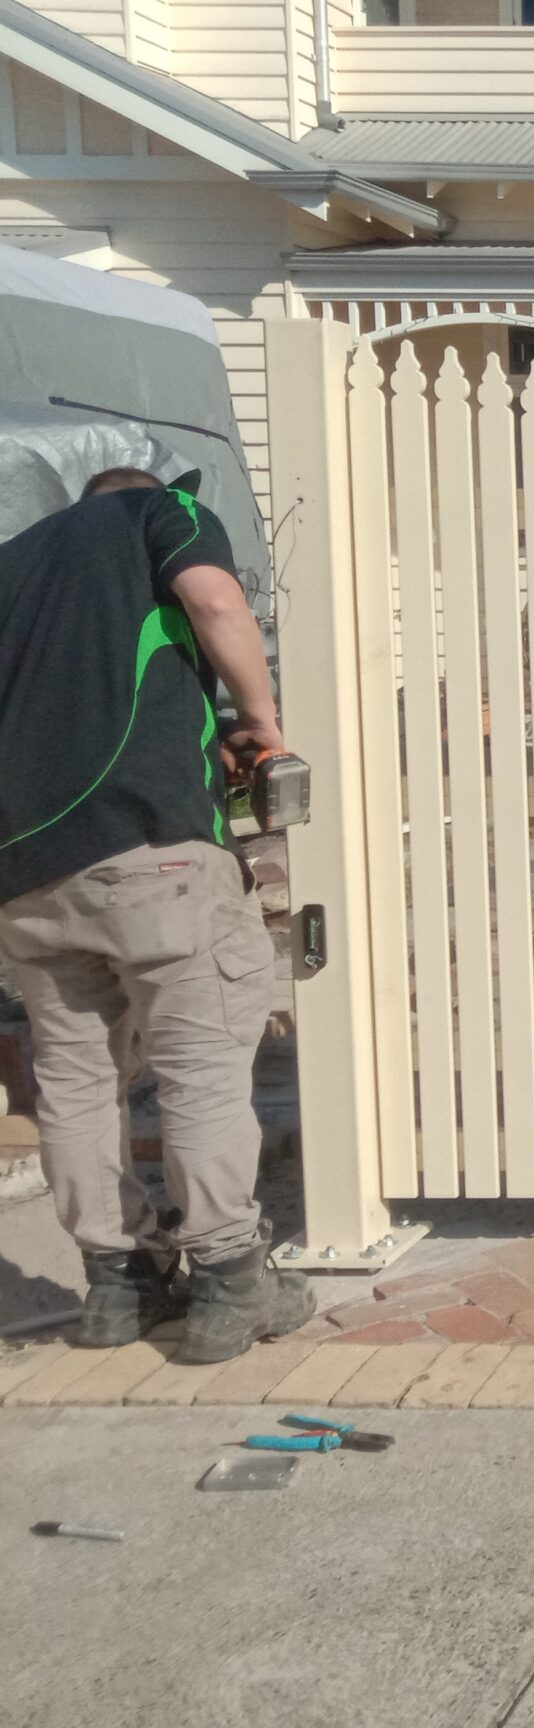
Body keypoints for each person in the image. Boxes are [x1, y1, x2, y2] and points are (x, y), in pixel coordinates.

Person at [0, 466, 310, 1361]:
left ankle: (119, 1288)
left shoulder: (11, 567)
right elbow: (215, 603)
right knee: (202, 1063)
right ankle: (227, 1283)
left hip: (25, 874)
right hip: (151, 845)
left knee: (75, 1079)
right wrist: (262, 720)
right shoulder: (157, 511)